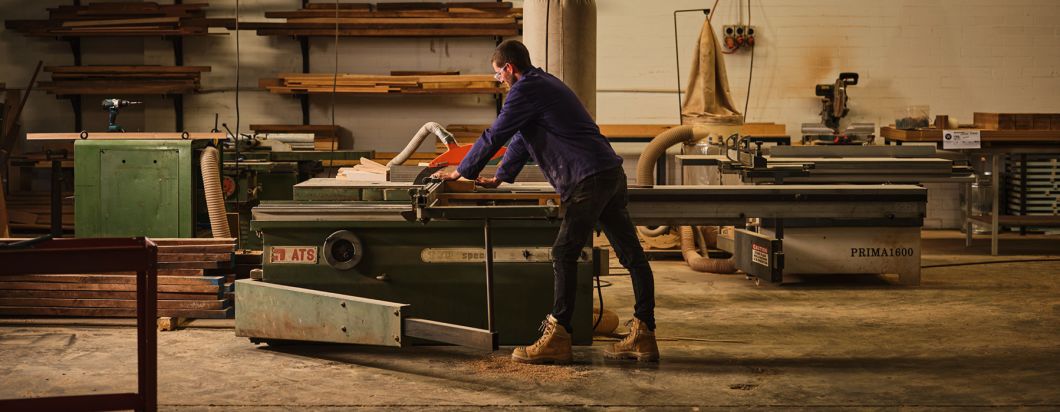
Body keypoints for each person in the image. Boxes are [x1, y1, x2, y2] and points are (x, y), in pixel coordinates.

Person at [432, 40, 659, 364]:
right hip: (609, 174)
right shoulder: (545, 85)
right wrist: (500, 176)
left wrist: (462, 172)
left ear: (509, 68)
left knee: (563, 252)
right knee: (633, 256)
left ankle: (558, 335)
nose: (499, 81)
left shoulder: (525, 91)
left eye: (498, 74)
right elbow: (524, 137)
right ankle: (644, 335)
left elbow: (495, 134)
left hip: (589, 179)